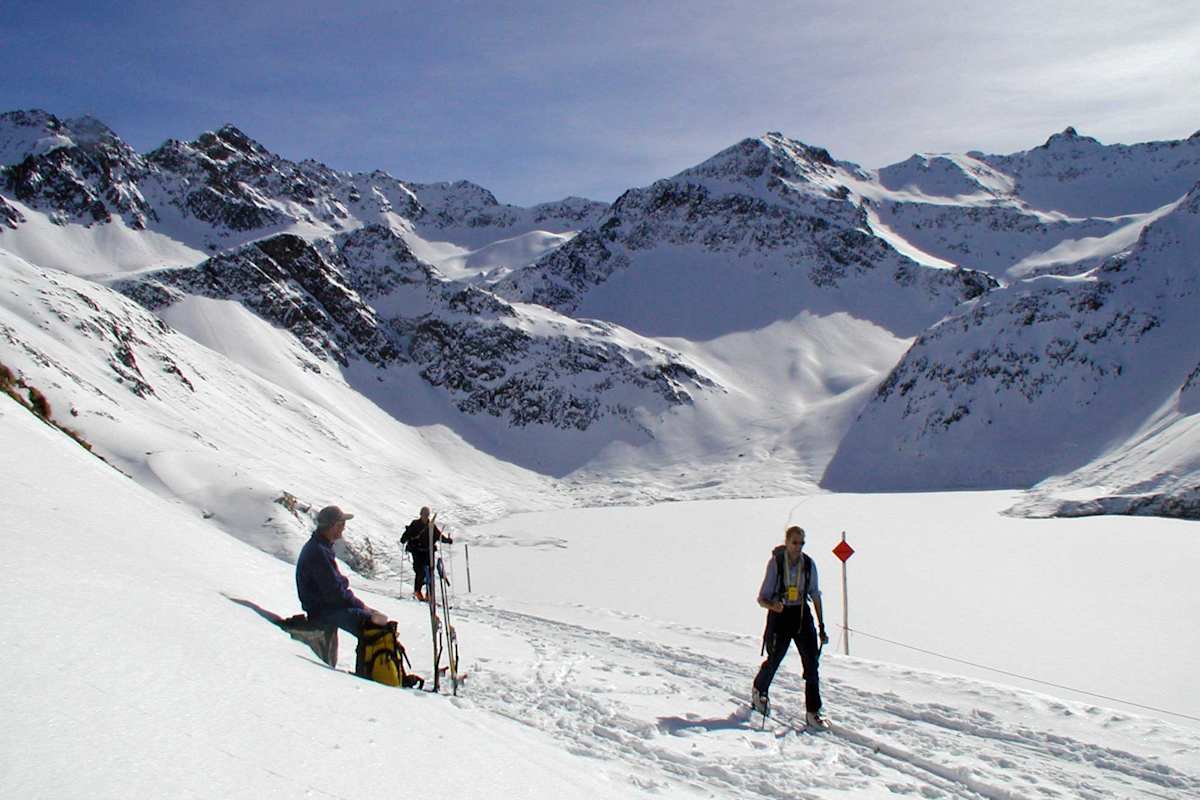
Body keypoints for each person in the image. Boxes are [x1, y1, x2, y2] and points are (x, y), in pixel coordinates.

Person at [751, 525, 829, 728]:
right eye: (794, 542)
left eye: (801, 543)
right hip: (780, 615)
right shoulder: (776, 563)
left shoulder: (808, 564)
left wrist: (821, 625)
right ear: (786, 542)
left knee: (812, 662)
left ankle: (813, 710)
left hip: (802, 614)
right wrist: (773, 605)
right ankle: (760, 689)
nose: (798, 547)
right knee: (775, 657)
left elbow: (815, 594)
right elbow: (762, 598)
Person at [294, 505, 387, 664]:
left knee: (377, 620)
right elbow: (335, 593)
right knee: (376, 626)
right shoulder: (319, 552)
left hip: (325, 607)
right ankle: (374, 673)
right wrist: (363, 608)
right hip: (325, 611)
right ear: (332, 526)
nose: (344, 528)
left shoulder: (320, 547)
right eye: (341, 524)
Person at [400, 506, 453, 601]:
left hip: (429, 552)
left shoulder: (431, 525)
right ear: (421, 514)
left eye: (427, 515)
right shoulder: (415, 524)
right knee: (420, 572)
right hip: (417, 552)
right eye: (424, 515)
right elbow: (407, 534)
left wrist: (447, 540)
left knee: (430, 573)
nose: (425, 516)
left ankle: (429, 595)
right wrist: (404, 539)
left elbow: (439, 536)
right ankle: (418, 592)